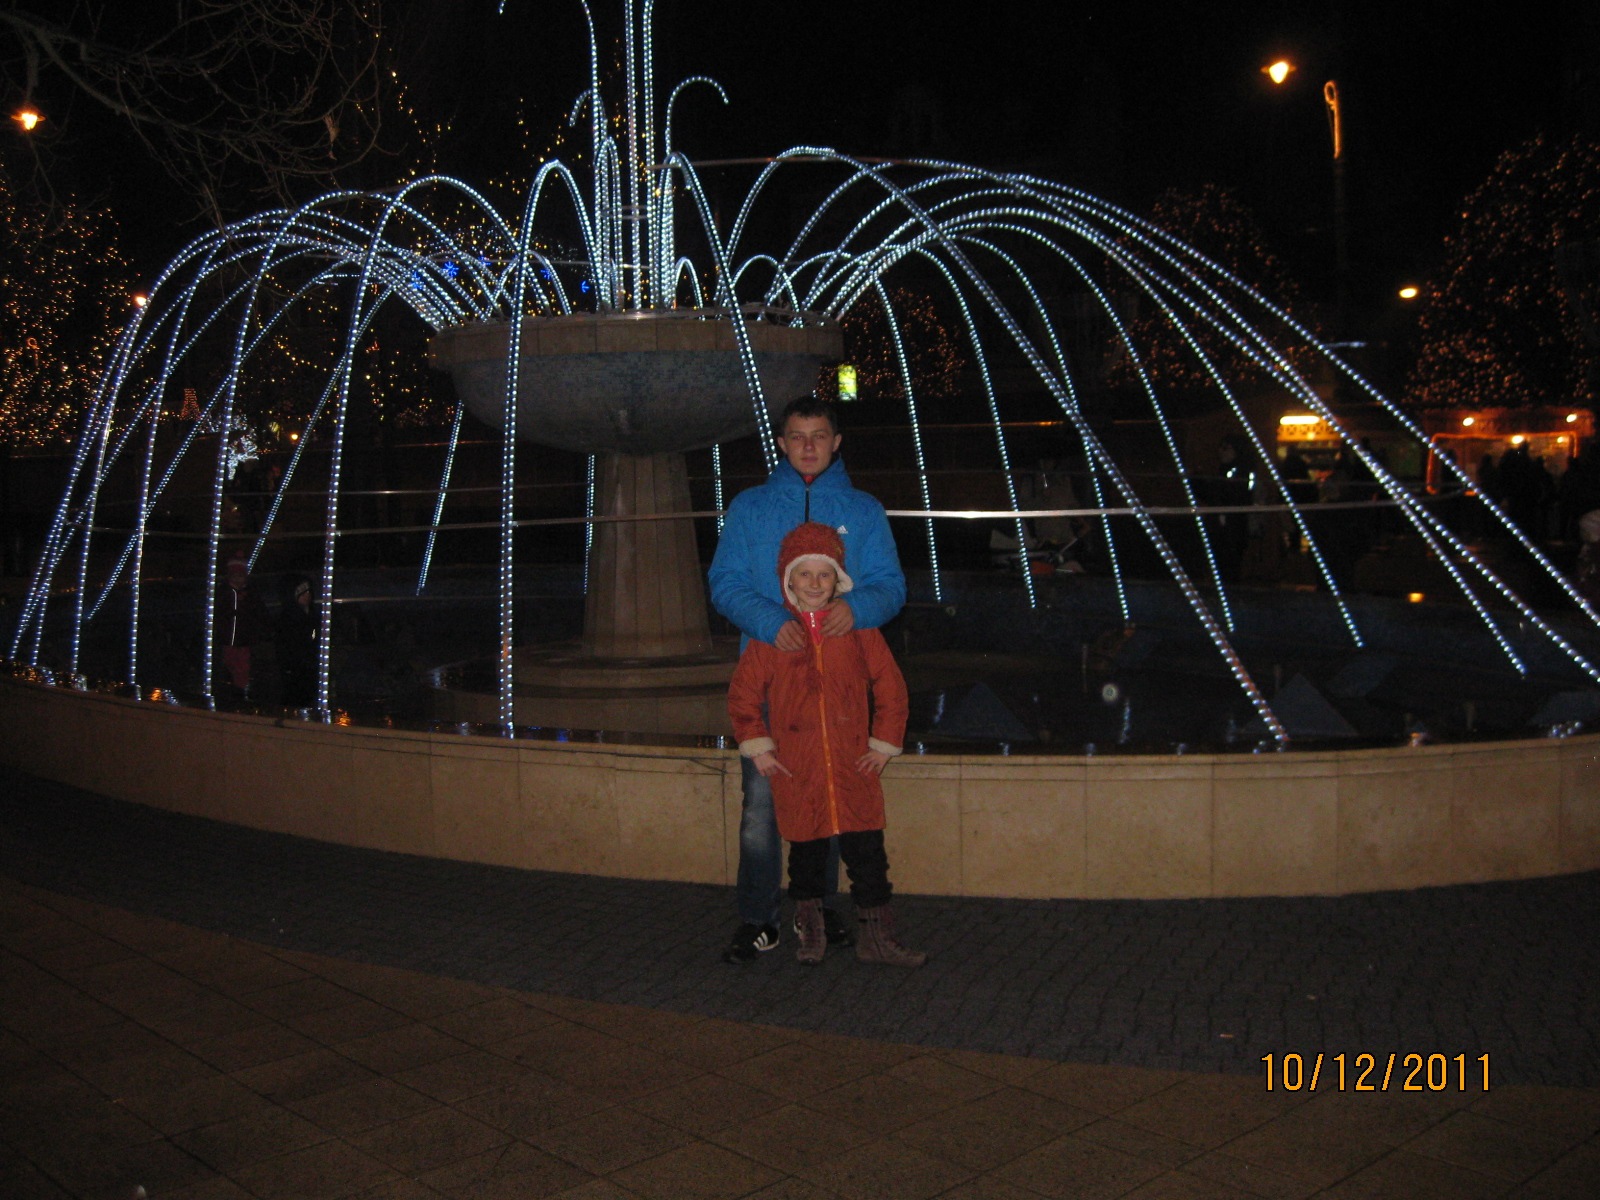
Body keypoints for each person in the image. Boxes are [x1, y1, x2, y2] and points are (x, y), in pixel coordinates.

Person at [708, 395, 906, 963]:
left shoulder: (863, 510)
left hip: (840, 688)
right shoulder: (750, 507)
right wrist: (770, 622)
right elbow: (725, 582)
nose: (809, 446)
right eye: (797, 436)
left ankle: (817, 911)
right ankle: (758, 918)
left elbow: (891, 585)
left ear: (836, 442)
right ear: (781, 442)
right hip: (774, 681)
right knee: (761, 808)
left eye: (819, 435)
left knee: (834, 804)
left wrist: (857, 608)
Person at [727, 522, 923, 966]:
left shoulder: (858, 630)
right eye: (805, 574)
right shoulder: (773, 635)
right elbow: (743, 695)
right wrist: (758, 745)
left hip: (854, 764)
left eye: (824, 574)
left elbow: (890, 686)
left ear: (838, 580)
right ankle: (810, 930)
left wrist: (883, 743)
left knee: (868, 857)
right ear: (788, 579)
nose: (814, 584)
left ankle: (876, 938)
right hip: (799, 767)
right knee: (806, 854)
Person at [215, 550, 269, 697]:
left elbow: (260, 613)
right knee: (228, 665)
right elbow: (219, 614)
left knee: (244, 667)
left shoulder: (250, 594)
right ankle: (231, 691)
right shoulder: (224, 593)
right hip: (227, 639)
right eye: (235, 577)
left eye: (241, 576)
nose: (238, 580)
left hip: (245, 640)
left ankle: (242, 692)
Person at [275, 574, 320, 708]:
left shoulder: (312, 614)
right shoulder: (288, 618)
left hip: (309, 666)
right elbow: (286, 645)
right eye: (302, 593)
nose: (307, 595)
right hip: (294, 667)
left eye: (308, 592)